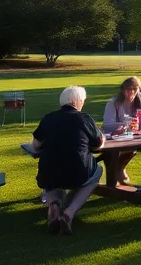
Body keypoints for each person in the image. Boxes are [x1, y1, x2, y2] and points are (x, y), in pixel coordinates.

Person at [32, 85, 104, 235]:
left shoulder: (48, 118)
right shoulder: (84, 118)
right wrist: (102, 140)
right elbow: (98, 143)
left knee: (49, 175)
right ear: (77, 101)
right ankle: (69, 212)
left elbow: (36, 145)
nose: (83, 103)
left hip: (48, 172)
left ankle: (54, 205)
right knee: (98, 170)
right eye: (82, 101)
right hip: (77, 173)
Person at [102, 76, 141, 184]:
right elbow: (108, 125)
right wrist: (127, 124)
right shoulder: (113, 103)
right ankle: (117, 172)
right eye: (128, 89)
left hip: (133, 136)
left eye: (135, 89)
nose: (131, 92)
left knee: (133, 148)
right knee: (124, 150)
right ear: (123, 90)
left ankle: (119, 169)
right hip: (114, 138)